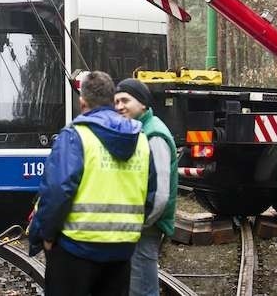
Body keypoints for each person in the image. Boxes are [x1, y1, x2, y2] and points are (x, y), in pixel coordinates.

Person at [28, 70, 153, 296]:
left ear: (82, 101)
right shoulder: (141, 139)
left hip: (76, 249)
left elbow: (58, 191)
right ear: (112, 100)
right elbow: (150, 194)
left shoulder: (76, 136)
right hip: (122, 250)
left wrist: (44, 235)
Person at [114, 78, 178, 296]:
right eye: (116, 102)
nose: (120, 106)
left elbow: (160, 194)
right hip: (138, 225)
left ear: (142, 103)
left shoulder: (154, 134)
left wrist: (140, 223)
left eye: (125, 100)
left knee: (142, 289)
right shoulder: (141, 129)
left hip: (144, 227)